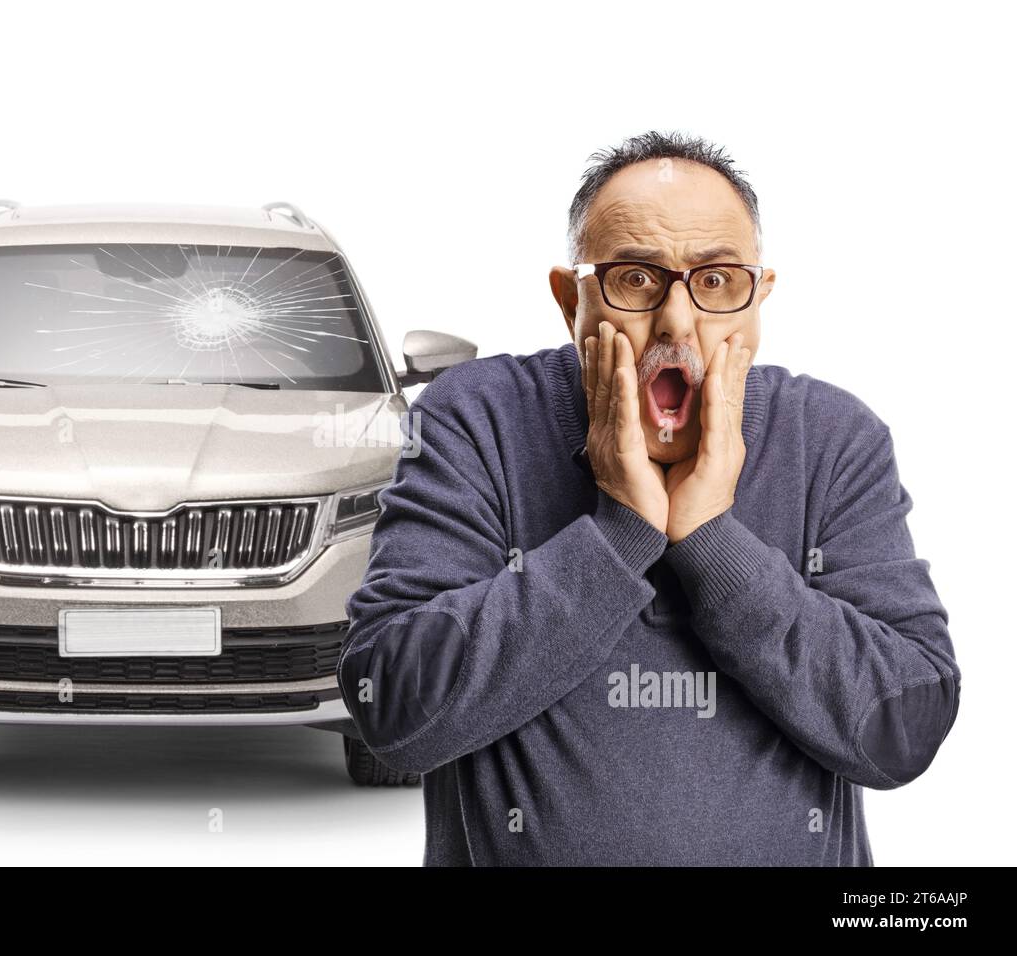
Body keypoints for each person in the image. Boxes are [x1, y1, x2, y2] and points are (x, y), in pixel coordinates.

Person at [338, 130, 961, 866]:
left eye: (717, 281)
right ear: (572, 300)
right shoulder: (475, 418)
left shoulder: (833, 439)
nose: (676, 321)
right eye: (636, 279)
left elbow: (906, 728)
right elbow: (394, 710)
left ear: (757, 301)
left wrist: (711, 541)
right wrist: (619, 534)